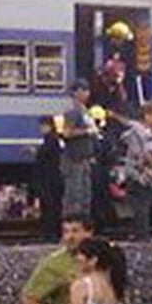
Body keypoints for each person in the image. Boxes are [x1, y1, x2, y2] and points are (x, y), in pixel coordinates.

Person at [110, 104, 152, 240]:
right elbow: (147, 153)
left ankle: (137, 231)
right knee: (143, 203)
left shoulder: (133, 131)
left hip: (132, 171)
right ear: (147, 115)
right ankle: (142, 234)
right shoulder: (144, 132)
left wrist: (113, 114)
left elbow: (126, 123)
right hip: (144, 173)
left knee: (137, 203)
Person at [60, 80, 97, 218]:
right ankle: (72, 223)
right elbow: (67, 133)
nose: (87, 93)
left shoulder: (85, 111)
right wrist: (87, 131)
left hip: (85, 158)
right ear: (76, 93)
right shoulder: (73, 112)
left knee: (85, 195)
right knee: (74, 194)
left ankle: (83, 224)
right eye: (84, 90)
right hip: (74, 158)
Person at [32, 115, 64, 242]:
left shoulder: (51, 140)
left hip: (49, 179)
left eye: (42, 126)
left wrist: (36, 152)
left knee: (50, 207)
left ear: (48, 126)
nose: (40, 128)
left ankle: (51, 233)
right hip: (52, 179)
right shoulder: (54, 140)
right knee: (51, 206)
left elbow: (46, 155)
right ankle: (51, 233)